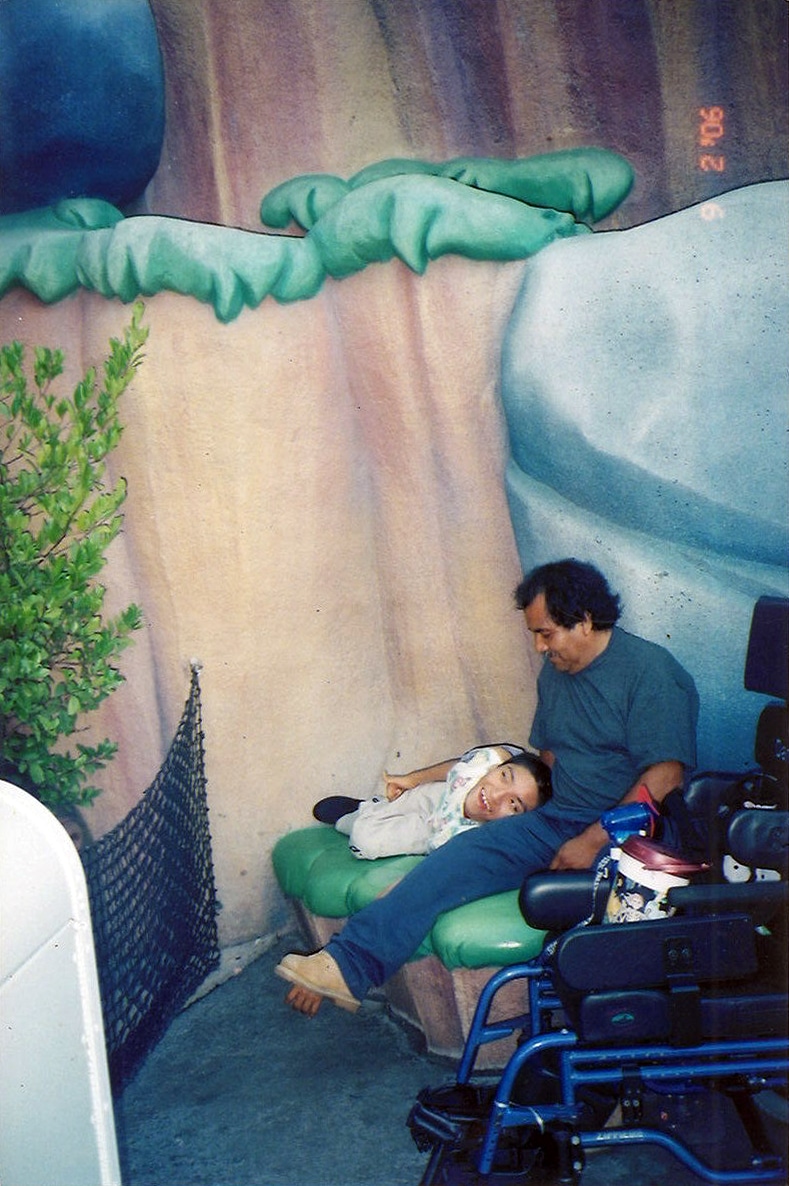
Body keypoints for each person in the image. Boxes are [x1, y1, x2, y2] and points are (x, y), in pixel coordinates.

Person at [275, 558, 700, 1016]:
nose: (538, 647)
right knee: (457, 857)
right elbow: (548, 759)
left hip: (626, 837)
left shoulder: (650, 672)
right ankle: (346, 966)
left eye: (546, 634)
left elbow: (665, 778)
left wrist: (592, 839)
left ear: (584, 620)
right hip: (555, 820)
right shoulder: (555, 675)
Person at [312, 745, 552, 859]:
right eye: (504, 777)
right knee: (409, 801)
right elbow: (456, 768)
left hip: (438, 830)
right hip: (443, 795)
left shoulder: (474, 840)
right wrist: (411, 780)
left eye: (513, 804)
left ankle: (354, 816)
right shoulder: (485, 764)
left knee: (365, 841)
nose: (496, 795)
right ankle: (374, 806)